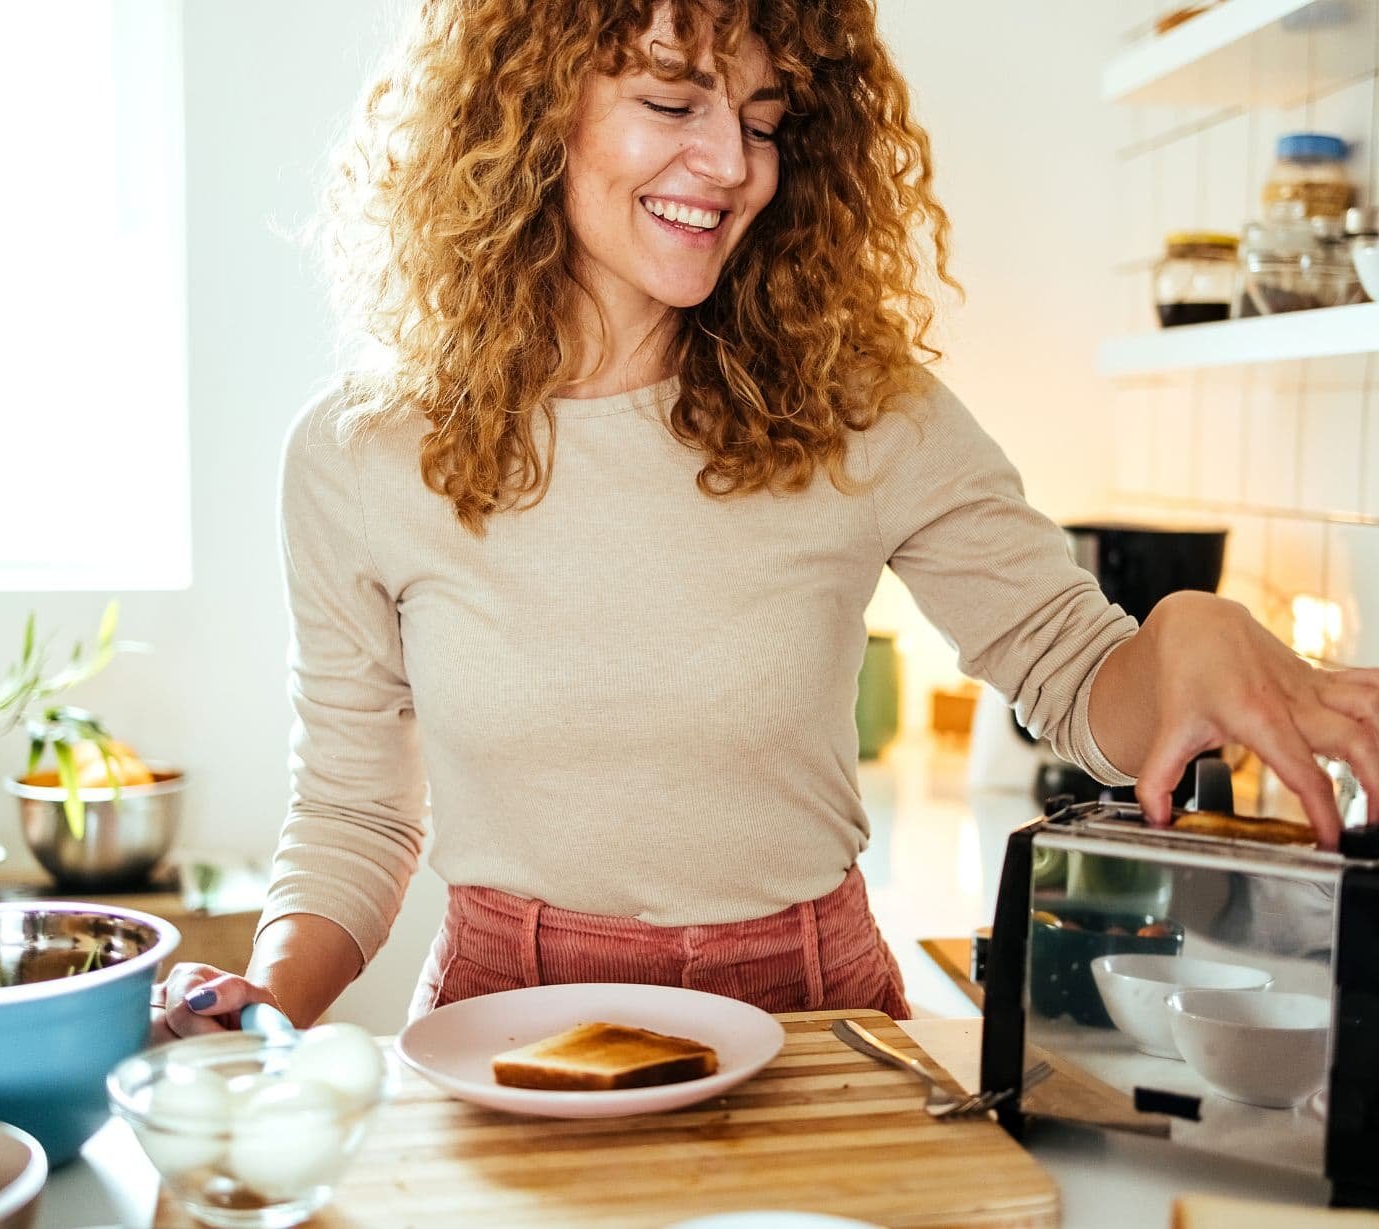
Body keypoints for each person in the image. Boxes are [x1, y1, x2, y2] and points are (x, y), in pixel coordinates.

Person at [153, 0, 1379, 1038]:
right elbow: (358, 811)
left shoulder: (863, 409)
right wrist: (264, 997)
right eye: (675, 102)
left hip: (810, 1013)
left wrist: (1179, 640)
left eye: (763, 119)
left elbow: (1070, 670)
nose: (733, 164)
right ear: (530, 108)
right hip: (505, 1015)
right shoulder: (362, 452)